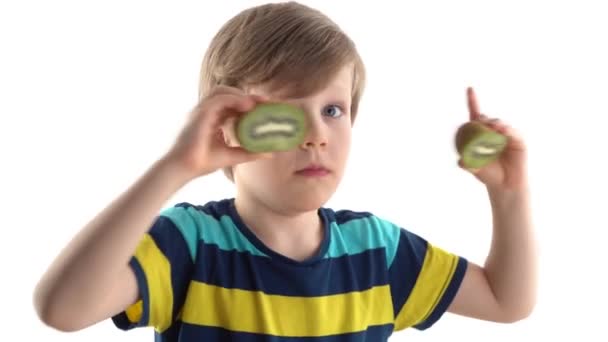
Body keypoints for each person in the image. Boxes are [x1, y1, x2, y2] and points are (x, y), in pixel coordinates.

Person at [33, 2, 537, 341]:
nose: (316, 133)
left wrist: (509, 194)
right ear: (228, 126)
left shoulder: (376, 251)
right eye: (286, 115)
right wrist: (174, 168)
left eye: (333, 110)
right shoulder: (189, 243)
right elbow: (63, 310)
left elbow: (506, 301)